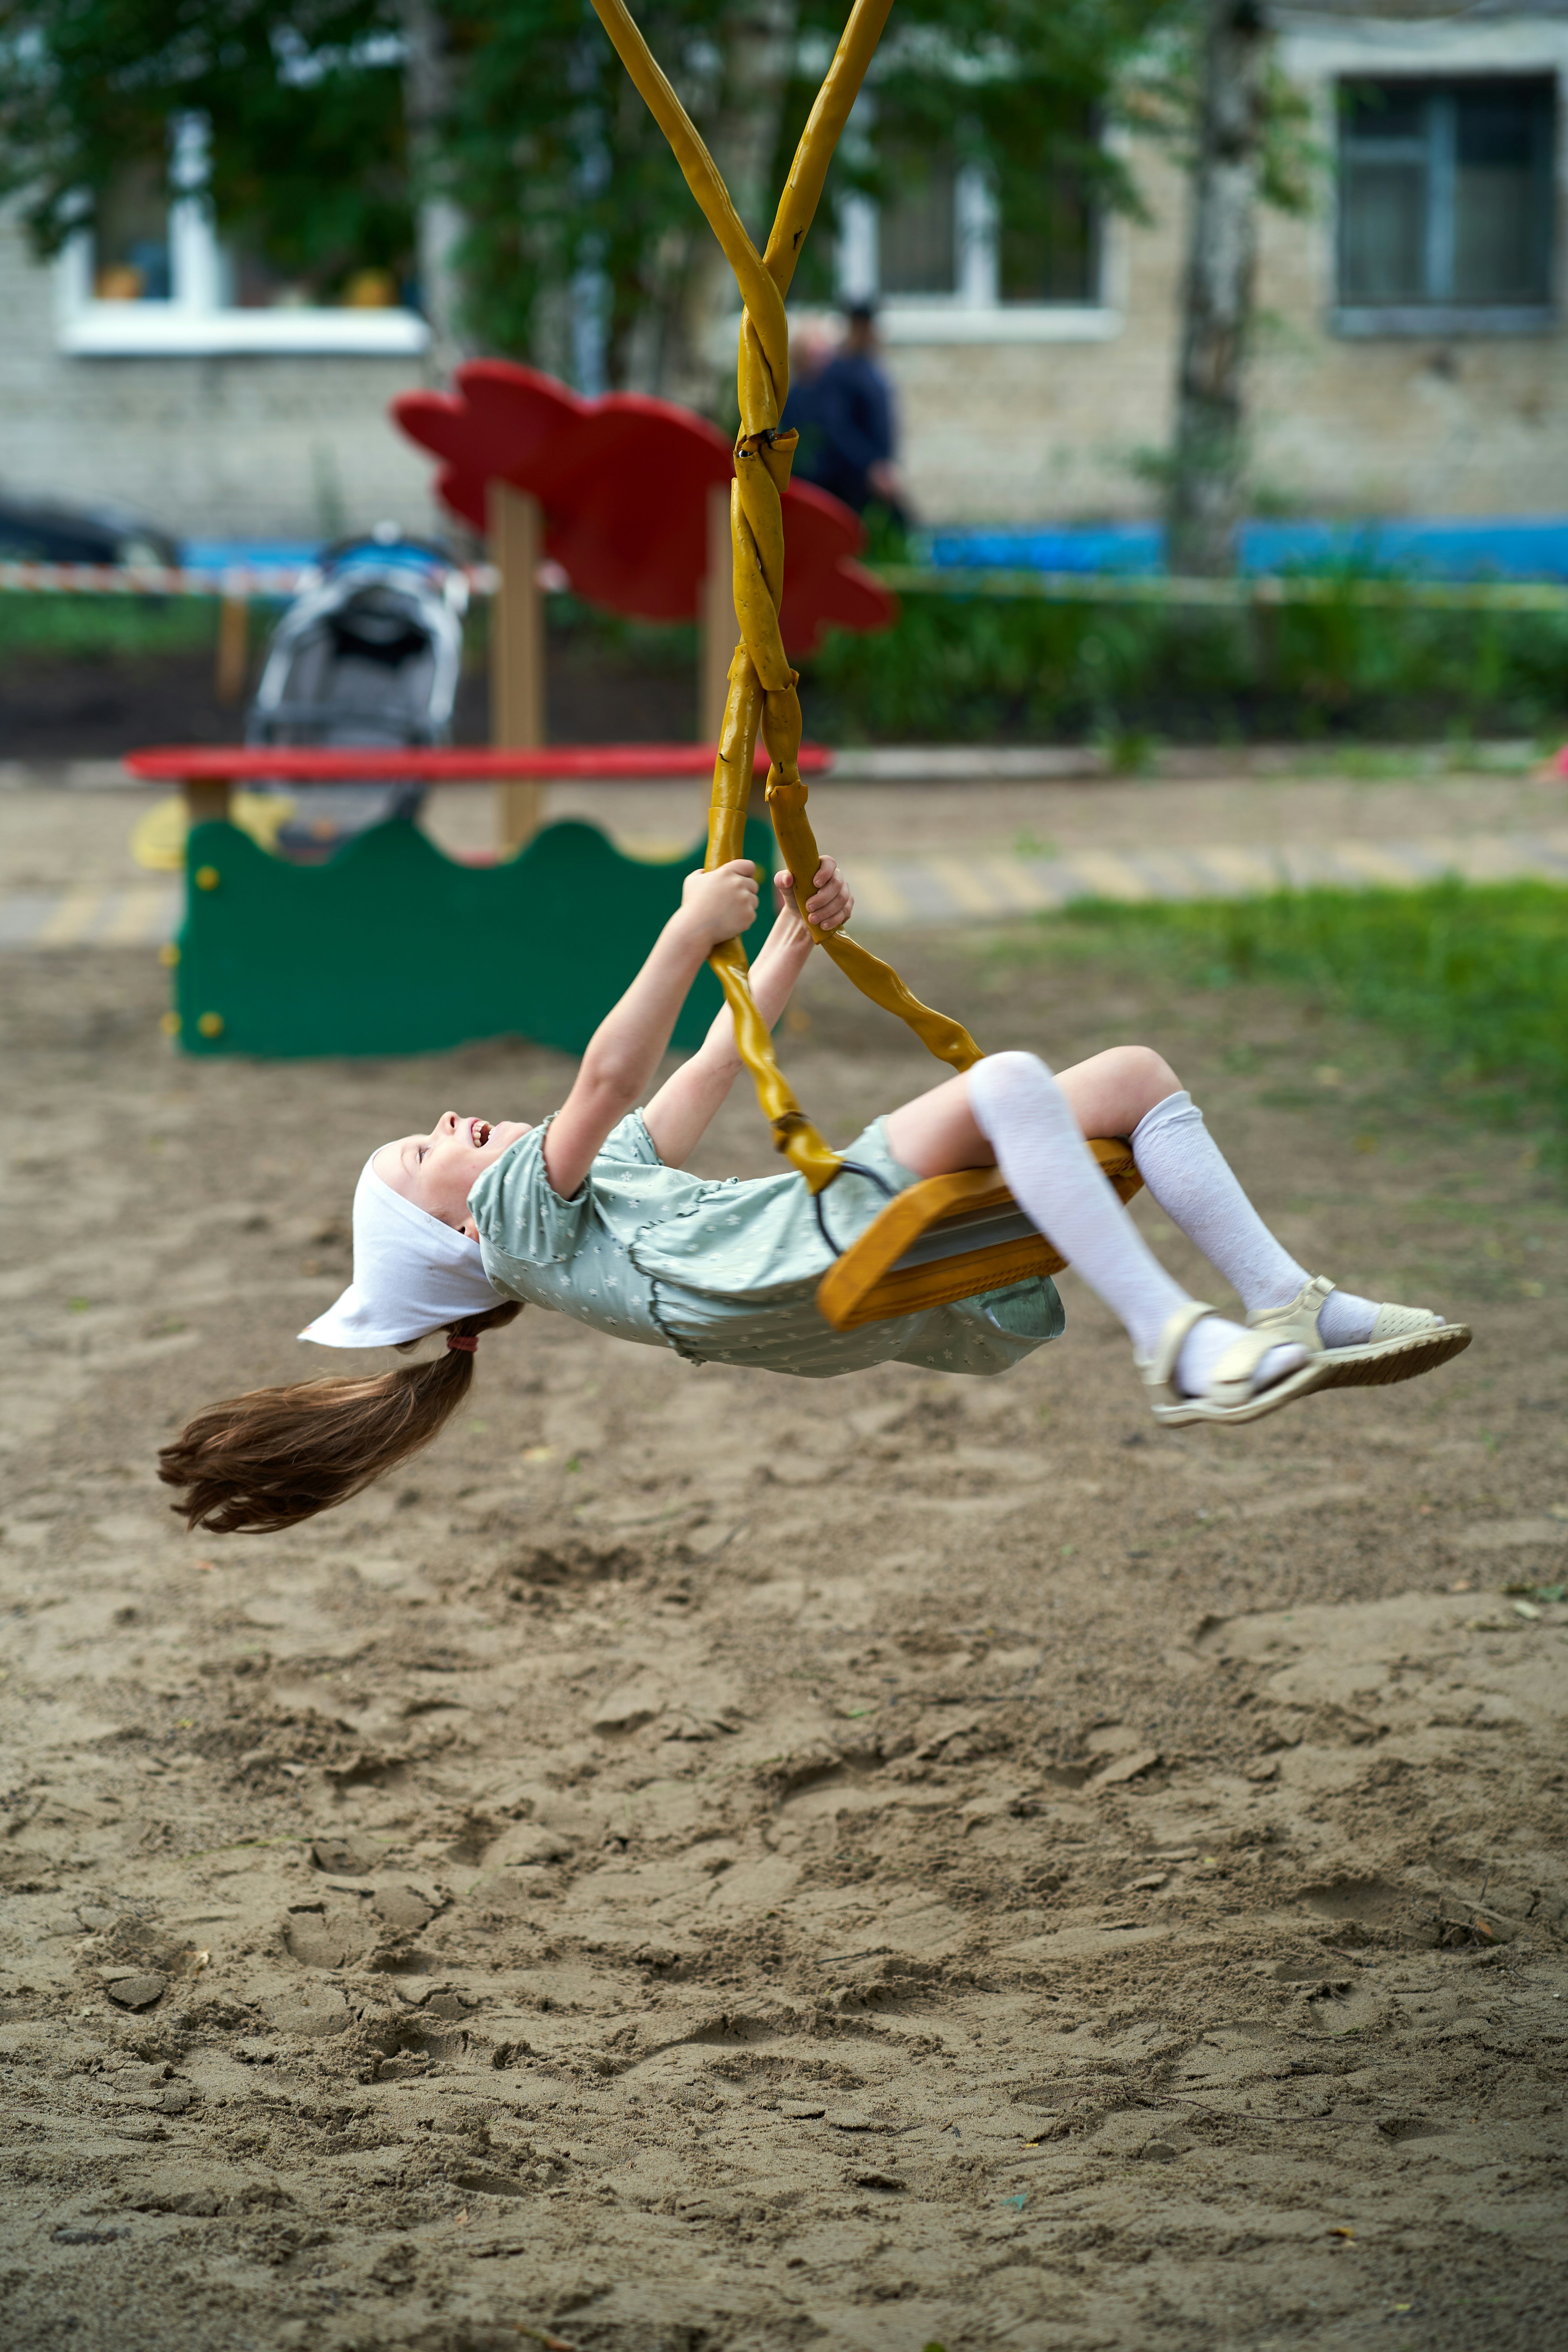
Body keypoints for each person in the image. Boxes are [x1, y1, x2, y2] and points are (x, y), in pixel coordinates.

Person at [158, 852, 1467, 1536]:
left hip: (792, 1284)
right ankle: (1173, 1341)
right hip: (794, 1249)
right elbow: (610, 1075)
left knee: (1129, 1077)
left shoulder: (584, 1205)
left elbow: (705, 1073)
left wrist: (788, 941)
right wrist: (685, 930)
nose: (443, 1126)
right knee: (1011, 1082)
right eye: (418, 1152)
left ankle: (1289, 1302)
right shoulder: (518, 1219)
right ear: (456, 1228)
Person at [791, 303, 910, 523]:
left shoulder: (870, 368)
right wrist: (870, 466)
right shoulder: (837, 375)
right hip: (850, 480)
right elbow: (837, 428)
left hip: (875, 473)